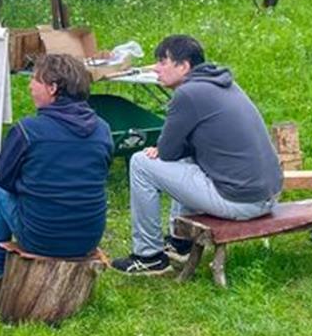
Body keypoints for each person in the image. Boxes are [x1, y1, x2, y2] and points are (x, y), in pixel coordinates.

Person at [112, 34, 283, 275]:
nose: (155, 69)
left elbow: (169, 152)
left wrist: (163, 149)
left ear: (184, 66)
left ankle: (148, 256)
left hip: (242, 201)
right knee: (187, 158)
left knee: (141, 163)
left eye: (162, 62)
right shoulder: (223, 83)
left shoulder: (188, 94)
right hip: (268, 194)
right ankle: (181, 243)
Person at [0, 53, 114, 305]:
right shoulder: (103, 128)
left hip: (42, 236)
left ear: (52, 88)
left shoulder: (28, 130)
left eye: (35, 80)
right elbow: (99, 172)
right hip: (87, 237)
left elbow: (4, 179)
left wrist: (27, 186)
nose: (29, 85)